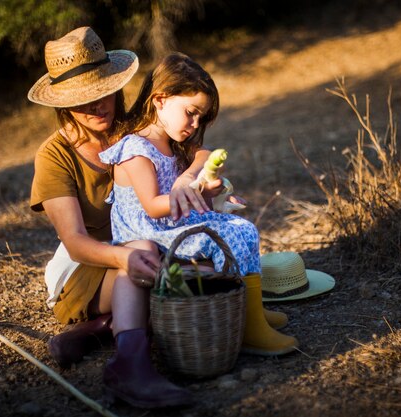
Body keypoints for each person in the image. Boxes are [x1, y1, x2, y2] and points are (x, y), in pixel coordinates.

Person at [27, 27, 216, 409]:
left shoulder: (131, 128)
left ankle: (103, 329)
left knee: (192, 261)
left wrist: (188, 177)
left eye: (105, 92)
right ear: (62, 105)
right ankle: (129, 367)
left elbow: (198, 149)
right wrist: (125, 257)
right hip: (89, 265)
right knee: (149, 255)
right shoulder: (54, 156)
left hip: (140, 246)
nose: (99, 106)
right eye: (84, 101)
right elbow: (77, 242)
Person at [99, 52, 299, 357]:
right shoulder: (136, 148)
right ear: (160, 100)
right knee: (232, 235)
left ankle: (250, 310)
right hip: (148, 233)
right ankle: (248, 325)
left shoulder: (173, 140)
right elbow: (153, 206)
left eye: (200, 118)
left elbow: (206, 154)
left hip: (170, 225)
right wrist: (195, 195)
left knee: (241, 229)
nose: (194, 124)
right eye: (191, 112)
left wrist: (193, 181)